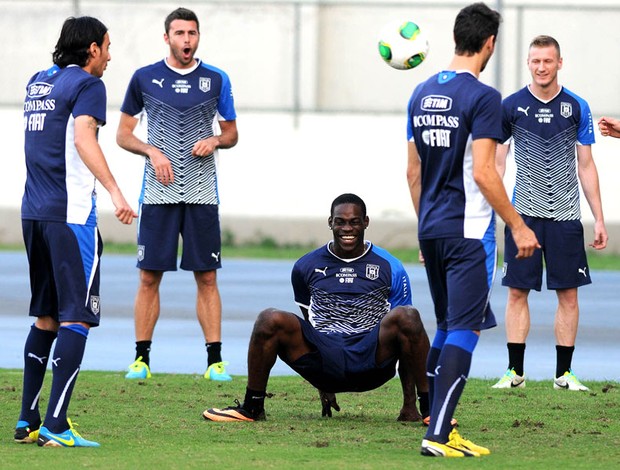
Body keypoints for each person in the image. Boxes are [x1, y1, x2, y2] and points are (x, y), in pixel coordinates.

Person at [407, 2, 540, 458]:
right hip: (469, 231)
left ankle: (436, 419)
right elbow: (485, 172)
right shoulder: (483, 98)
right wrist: (519, 226)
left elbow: (412, 172)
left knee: (446, 325)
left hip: (432, 228)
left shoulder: (420, 93)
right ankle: (438, 435)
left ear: (456, 38)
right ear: (489, 44)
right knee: (465, 328)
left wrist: (424, 223)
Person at [202, 193, 431, 423]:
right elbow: (309, 326)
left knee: (408, 317)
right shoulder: (305, 266)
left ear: (366, 222)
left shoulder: (391, 266)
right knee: (269, 319)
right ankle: (252, 408)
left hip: (370, 358)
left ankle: (429, 410)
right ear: (330, 222)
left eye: (354, 221)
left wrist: (409, 406)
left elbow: (408, 340)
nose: (347, 228)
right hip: (325, 357)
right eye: (340, 221)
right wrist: (321, 380)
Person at [15, 16, 137, 447]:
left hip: (33, 213)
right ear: (91, 50)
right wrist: (116, 191)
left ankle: (27, 419)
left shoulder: (38, 82)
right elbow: (86, 140)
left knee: (46, 315)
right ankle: (56, 425)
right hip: (71, 217)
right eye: (107, 46)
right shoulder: (89, 86)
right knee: (77, 317)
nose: (110, 55)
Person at [116, 7, 238, 381]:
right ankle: (141, 360)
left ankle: (215, 362)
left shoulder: (216, 79)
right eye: (180, 33)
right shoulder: (144, 78)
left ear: (198, 37)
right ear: (166, 37)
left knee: (207, 277)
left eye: (192, 33)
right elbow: (123, 135)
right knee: (149, 277)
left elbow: (232, 134)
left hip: (202, 194)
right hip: (158, 194)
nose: (187, 40)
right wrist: (152, 151)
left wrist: (215, 140)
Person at [492, 35, 608, 391]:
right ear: (528, 64)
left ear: (560, 63)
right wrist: (496, 212)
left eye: (548, 61)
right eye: (535, 61)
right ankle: (515, 373)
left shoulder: (577, 107)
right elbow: (497, 163)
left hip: (566, 218)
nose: (541, 67)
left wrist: (599, 217)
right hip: (522, 218)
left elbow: (586, 165)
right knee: (516, 293)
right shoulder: (510, 106)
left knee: (569, 295)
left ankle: (564, 375)